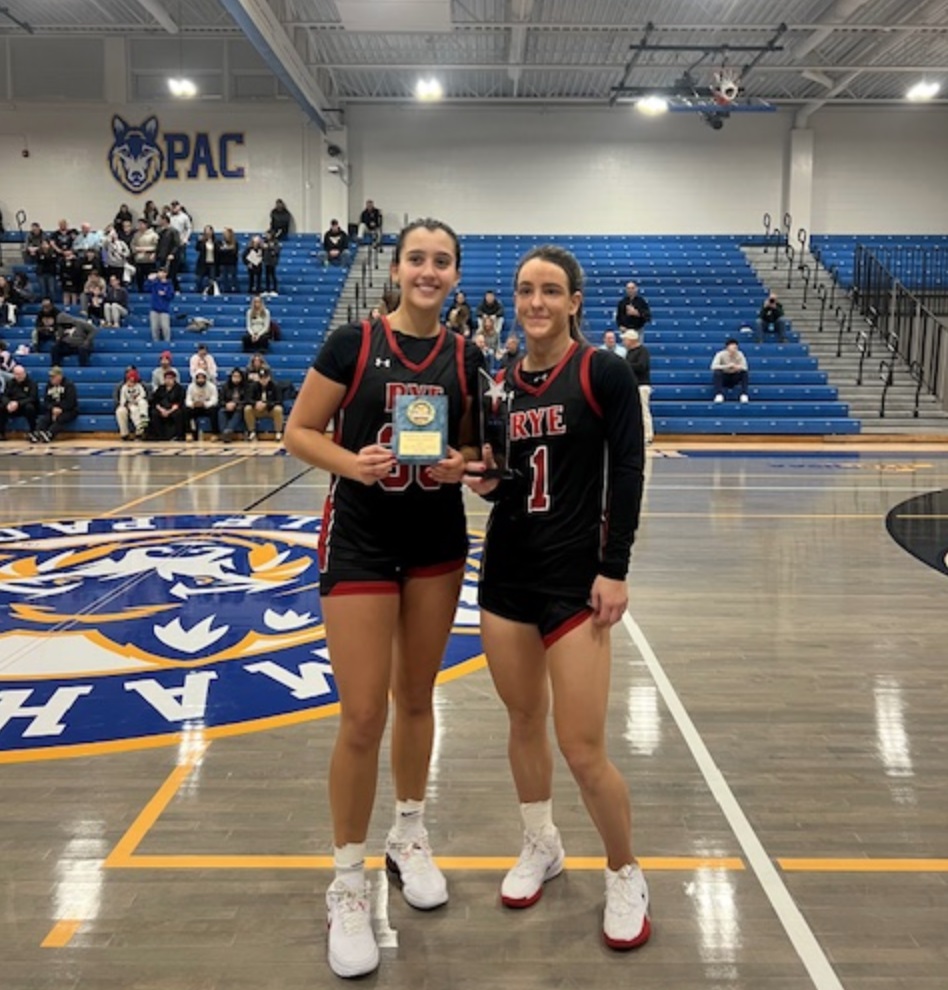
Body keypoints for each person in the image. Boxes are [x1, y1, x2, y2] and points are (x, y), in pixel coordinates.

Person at [283, 217, 481, 979]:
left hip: (435, 543)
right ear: (396, 269)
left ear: (455, 274)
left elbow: (473, 448)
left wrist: (457, 466)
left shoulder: (467, 357)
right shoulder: (351, 345)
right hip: (361, 538)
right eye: (416, 259)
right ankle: (346, 880)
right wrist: (353, 465)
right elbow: (301, 432)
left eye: (442, 261)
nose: (428, 272)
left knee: (417, 696)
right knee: (363, 713)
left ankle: (408, 832)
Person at [462, 244, 650, 952]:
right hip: (506, 574)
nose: (534, 302)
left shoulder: (601, 371)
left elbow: (627, 469)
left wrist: (616, 566)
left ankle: (625, 868)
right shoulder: (500, 385)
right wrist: (483, 479)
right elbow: (508, 475)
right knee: (522, 719)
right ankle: (541, 842)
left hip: (575, 582)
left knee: (583, 746)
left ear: (574, 301)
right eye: (523, 290)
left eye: (549, 291)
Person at [30, 366, 78, 443]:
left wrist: (60, 409)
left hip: (68, 410)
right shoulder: (48, 386)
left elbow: (71, 402)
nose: (51, 379)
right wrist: (52, 408)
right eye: (50, 377)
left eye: (53, 377)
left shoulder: (69, 385)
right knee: (44, 419)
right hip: (53, 409)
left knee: (61, 418)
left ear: (60, 376)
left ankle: (50, 434)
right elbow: (46, 401)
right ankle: (37, 433)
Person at [622, 329, 653, 444]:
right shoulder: (629, 352)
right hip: (633, 385)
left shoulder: (642, 351)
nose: (624, 342)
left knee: (644, 411)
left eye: (625, 339)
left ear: (632, 340)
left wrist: (625, 366)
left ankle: (648, 435)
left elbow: (641, 366)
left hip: (642, 385)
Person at [242, 366, 284, 441]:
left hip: (270, 410)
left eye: (265, 378)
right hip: (257, 409)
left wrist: (267, 404)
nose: (263, 380)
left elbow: (279, 400)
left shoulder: (275, 386)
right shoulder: (253, 386)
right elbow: (247, 399)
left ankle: (278, 432)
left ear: (269, 378)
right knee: (247, 409)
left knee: (278, 409)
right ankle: (252, 432)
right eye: (261, 378)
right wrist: (255, 403)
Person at [0, 365, 39, 439]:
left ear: (24, 373)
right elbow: (4, 396)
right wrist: (8, 403)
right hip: (12, 406)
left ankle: (33, 432)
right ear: (14, 374)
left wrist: (18, 403)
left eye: (21, 374)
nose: (19, 376)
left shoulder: (32, 383)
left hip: (24, 406)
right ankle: (1, 433)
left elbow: (32, 398)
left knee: (30, 408)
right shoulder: (10, 383)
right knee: (1, 407)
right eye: (17, 374)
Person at [149, 369, 187, 441]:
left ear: (174, 379)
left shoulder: (179, 389)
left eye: (170, 378)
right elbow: (155, 401)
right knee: (154, 413)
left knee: (178, 413)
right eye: (166, 378)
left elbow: (179, 402)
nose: (168, 380)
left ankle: (178, 435)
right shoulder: (160, 388)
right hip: (162, 408)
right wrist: (161, 410)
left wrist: (169, 411)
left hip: (173, 409)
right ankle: (159, 435)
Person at [711, 338, 749, 402]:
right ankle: (719, 394)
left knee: (744, 373)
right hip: (725, 376)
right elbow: (713, 366)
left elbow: (745, 367)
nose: (734, 349)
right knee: (717, 373)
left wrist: (737, 367)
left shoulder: (740, 354)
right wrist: (726, 366)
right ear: (727, 347)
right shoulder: (720, 354)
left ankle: (744, 394)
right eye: (733, 346)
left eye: (735, 347)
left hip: (735, 375)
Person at [115, 367, 150, 440]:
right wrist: (126, 405)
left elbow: (148, 396)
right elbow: (117, 399)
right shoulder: (121, 386)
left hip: (139, 404)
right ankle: (124, 434)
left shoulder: (142, 385)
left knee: (137, 409)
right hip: (126, 405)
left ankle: (140, 431)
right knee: (120, 411)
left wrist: (138, 401)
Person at [185, 370, 219, 440]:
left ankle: (214, 434)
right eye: (199, 378)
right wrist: (193, 404)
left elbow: (214, 400)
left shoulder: (212, 386)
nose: (200, 380)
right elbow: (187, 400)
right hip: (195, 407)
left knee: (214, 410)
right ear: (196, 379)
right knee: (186, 410)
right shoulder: (191, 387)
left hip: (207, 408)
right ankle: (189, 433)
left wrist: (205, 404)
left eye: (202, 378)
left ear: (205, 378)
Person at [218, 367, 249, 441]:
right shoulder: (225, 386)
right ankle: (224, 432)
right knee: (221, 411)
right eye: (234, 376)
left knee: (239, 410)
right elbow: (220, 400)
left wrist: (235, 404)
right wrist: (226, 404)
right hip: (227, 407)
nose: (236, 378)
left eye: (238, 376)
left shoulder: (246, 387)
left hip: (239, 407)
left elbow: (247, 400)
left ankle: (228, 431)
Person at [147, 269, 175, 342]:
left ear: (165, 274)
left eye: (162, 272)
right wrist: (149, 280)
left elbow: (171, 296)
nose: (160, 274)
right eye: (159, 272)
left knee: (165, 327)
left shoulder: (169, 285)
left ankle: (167, 342)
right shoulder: (155, 283)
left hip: (164, 309)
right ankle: (156, 343)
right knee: (154, 328)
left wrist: (164, 294)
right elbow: (146, 288)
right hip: (154, 309)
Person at [131, 218, 159, 291]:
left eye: (141, 224)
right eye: (139, 224)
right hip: (139, 260)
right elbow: (132, 245)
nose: (139, 226)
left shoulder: (153, 235)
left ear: (146, 225)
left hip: (149, 260)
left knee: (152, 278)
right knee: (139, 278)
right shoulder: (136, 235)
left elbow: (157, 246)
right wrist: (137, 250)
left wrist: (147, 249)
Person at [194, 225, 220, 295]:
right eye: (206, 231)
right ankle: (199, 292)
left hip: (212, 263)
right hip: (203, 263)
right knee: (199, 279)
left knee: (212, 280)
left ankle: (210, 292)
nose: (208, 232)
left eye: (209, 230)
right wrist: (199, 241)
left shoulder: (216, 241)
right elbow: (197, 248)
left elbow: (218, 251)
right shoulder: (202, 241)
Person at [217, 228, 240, 294]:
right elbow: (219, 251)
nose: (224, 235)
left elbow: (234, 252)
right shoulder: (220, 242)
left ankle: (235, 290)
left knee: (233, 277)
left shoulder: (235, 243)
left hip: (232, 263)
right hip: (223, 263)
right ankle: (225, 291)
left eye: (226, 233)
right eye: (224, 234)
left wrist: (225, 249)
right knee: (224, 278)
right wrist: (228, 249)